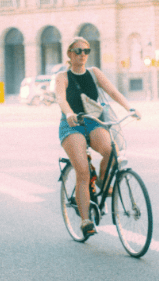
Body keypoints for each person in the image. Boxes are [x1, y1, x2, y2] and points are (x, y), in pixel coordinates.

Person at [55, 37, 139, 238]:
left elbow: (112, 91)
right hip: (72, 125)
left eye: (86, 51)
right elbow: (61, 98)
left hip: (93, 121)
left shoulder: (94, 73)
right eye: (78, 51)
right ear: (69, 54)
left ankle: (102, 181)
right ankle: (85, 221)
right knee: (82, 171)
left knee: (112, 150)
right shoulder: (62, 76)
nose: (82, 54)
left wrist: (130, 108)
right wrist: (68, 113)